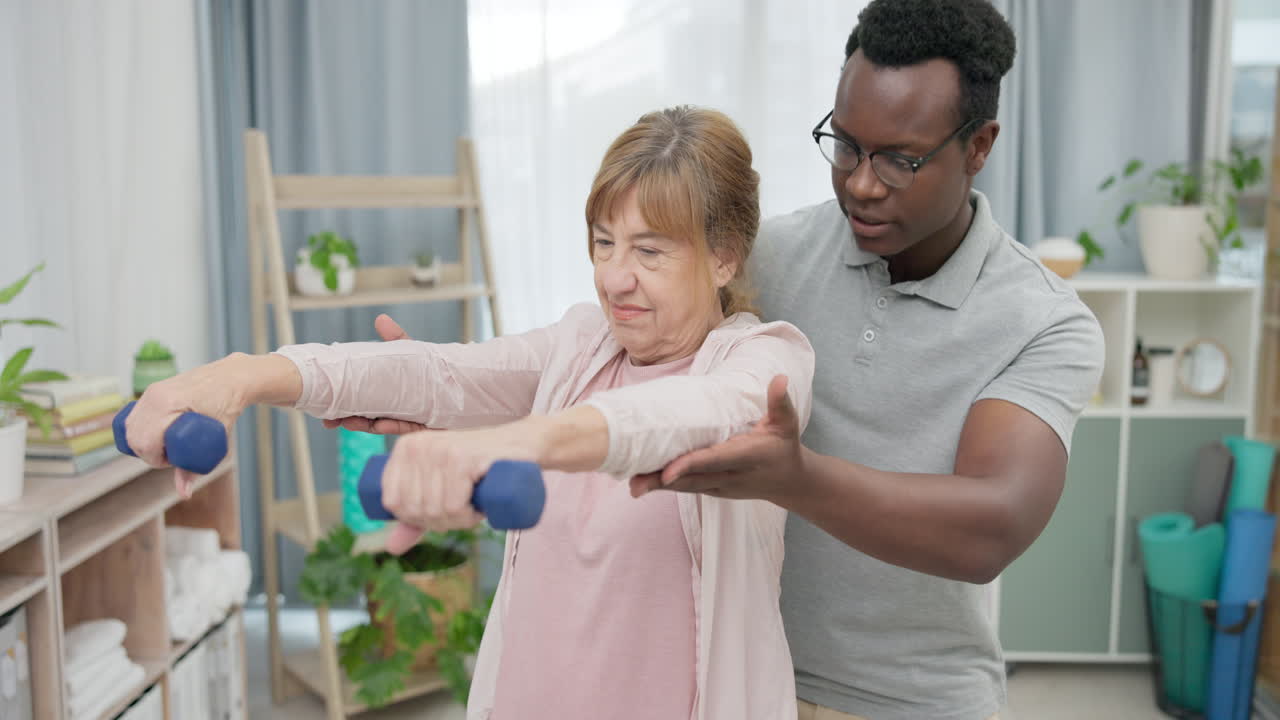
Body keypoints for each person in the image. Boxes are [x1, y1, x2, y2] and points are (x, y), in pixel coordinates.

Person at [340, 1, 1105, 718]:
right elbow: (619, 369)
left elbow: (990, 527)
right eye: (845, 145)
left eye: (900, 160)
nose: (861, 184)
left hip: (911, 699)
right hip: (738, 673)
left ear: (979, 145)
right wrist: (460, 396)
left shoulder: (1043, 322)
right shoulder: (764, 255)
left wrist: (798, 478)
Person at [123, 106, 814, 720]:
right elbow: (438, 373)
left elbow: (676, 417)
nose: (613, 277)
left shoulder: (762, 366)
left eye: (649, 251)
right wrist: (241, 376)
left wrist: (501, 444)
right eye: (604, 243)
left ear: (724, 258)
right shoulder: (580, 344)